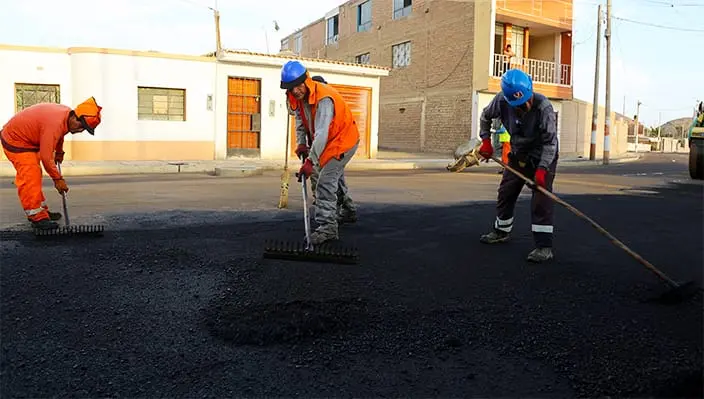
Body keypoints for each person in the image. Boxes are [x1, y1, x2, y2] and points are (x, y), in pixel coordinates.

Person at [476, 69, 559, 263]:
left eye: (526, 101)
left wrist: (542, 169)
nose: (525, 105)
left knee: (541, 199)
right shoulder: (501, 101)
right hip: (518, 154)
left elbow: (550, 143)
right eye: (519, 104)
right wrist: (486, 141)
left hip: (542, 157)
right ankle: (501, 231)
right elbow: (485, 117)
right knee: (506, 191)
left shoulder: (544, 107)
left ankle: (543, 246)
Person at [280, 60, 359, 245]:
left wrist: (310, 161)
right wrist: (301, 145)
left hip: (343, 141)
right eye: (291, 88)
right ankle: (347, 209)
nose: (296, 91)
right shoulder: (298, 100)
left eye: (298, 86)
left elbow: (322, 132)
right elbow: (300, 123)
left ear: (305, 80)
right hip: (327, 142)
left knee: (325, 180)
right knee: (332, 178)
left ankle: (328, 227)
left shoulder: (324, 98)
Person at [1, 97, 102, 230]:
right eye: (81, 126)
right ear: (75, 117)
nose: (80, 130)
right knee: (30, 175)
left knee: (35, 174)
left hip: (29, 141)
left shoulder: (66, 115)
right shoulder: (54, 123)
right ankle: (36, 216)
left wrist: (59, 151)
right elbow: (46, 157)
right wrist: (57, 179)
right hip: (15, 140)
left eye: (84, 129)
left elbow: (60, 134)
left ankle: (41, 210)